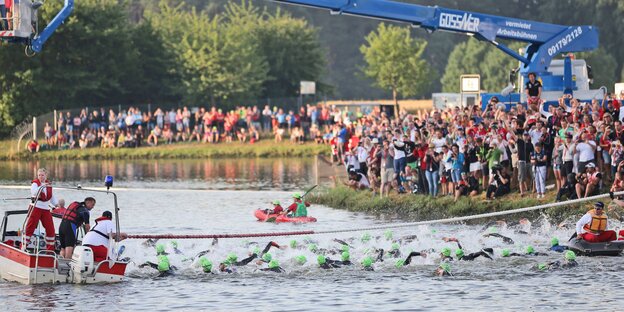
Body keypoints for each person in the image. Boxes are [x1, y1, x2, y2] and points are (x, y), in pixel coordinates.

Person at [24, 168, 59, 251]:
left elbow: (51, 197)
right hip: (35, 207)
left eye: (42, 175)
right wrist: (43, 186)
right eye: (39, 175)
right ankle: (24, 246)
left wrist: (57, 204)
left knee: (50, 229)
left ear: (46, 175)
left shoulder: (48, 185)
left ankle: (50, 250)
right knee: (30, 227)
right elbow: (34, 192)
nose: (40, 177)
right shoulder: (35, 184)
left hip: (46, 209)